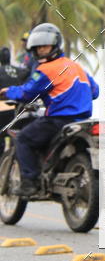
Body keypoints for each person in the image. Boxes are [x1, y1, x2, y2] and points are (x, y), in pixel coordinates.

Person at [0, 23, 99, 197]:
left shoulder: (45, 70)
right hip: (82, 120)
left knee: (22, 138)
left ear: (54, 46)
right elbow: (95, 91)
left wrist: (7, 91)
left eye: (45, 47)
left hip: (59, 119)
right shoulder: (75, 66)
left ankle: (30, 182)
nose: (42, 51)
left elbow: (27, 92)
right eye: (39, 48)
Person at [0, 47, 30, 157]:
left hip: (2, 110)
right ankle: (14, 161)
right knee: (15, 137)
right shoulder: (20, 71)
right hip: (18, 110)